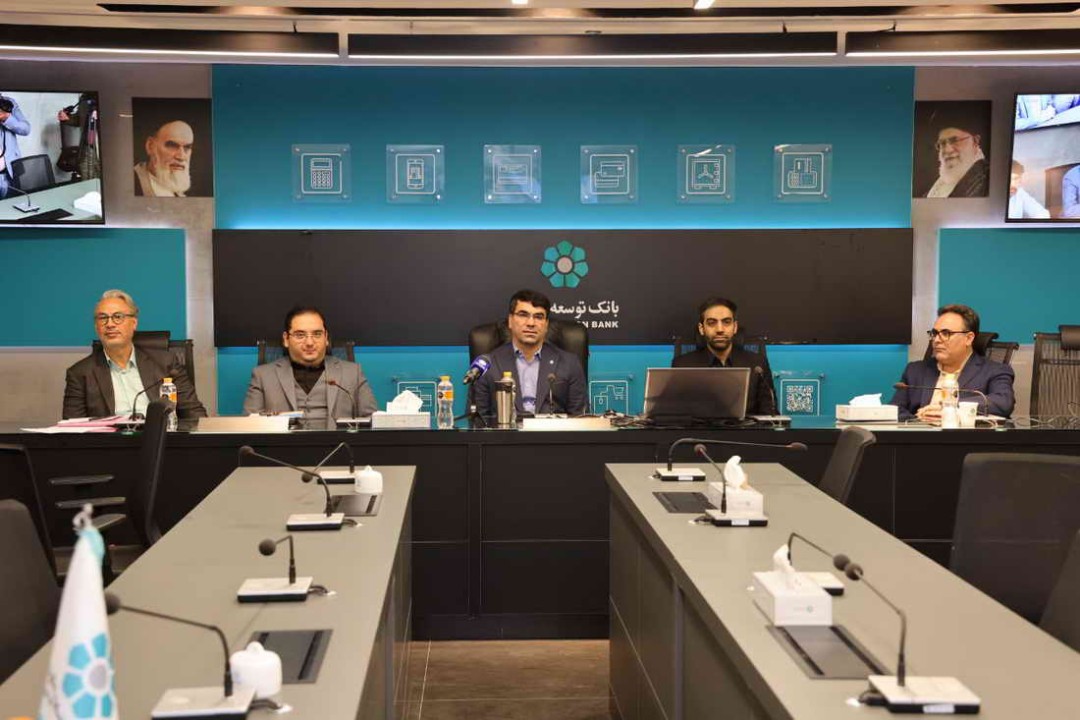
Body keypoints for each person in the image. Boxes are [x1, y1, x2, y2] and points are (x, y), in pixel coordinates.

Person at [63, 289, 207, 419]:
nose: (110, 324)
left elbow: (194, 413)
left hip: (161, 437)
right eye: (103, 318)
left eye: (118, 317)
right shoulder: (80, 374)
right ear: (96, 327)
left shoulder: (166, 364)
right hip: (109, 440)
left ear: (134, 323)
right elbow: (72, 429)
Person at [243, 306, 377, 419]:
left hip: (339, 442)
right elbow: (251, 427)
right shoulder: (262, 376)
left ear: (326, 338)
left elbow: (373, 423)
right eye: (300, 335)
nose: (309, 342)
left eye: (317, 334)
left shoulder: (353, 373)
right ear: (286, 339)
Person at [472, 289, 587, 418]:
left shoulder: (570, 363)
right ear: (510, 320)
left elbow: (579, 420)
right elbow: (478, 421)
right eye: (523, 315)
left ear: (546, 325)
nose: (531, 323)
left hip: (553, 431)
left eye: (538, 317)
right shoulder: (487, 366)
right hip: (505, 431)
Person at [890, 304, 1015, 422]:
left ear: (968, 338)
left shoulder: (995, 371)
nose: (936, 340)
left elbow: (1003, 402)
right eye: (935, 333)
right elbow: (895, 410)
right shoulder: (915, 370)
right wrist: (919, 421)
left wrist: (950, 408)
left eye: (946, 333)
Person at [672, 297, 777, 416]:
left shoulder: (757, 364)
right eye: (712, 323)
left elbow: (770, 414)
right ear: (702, 329)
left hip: (748, 427)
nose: (720, 329)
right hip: (700, 428)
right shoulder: (682, 365)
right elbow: (673, 414)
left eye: (726, 322)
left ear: (735, 327)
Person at [925, 122, 988, 198]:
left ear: (975, 141)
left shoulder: (987, 180)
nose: (947, 150)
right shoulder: (936, 188)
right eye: (942, 143)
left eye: (955, 141)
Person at [134, 119, 194, 197]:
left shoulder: (180, 194)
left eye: (187, 147)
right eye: (172, 146)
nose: (181, 156)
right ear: (150, 146)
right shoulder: (131, 184)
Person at [0, 94, 31, 200]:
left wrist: (7, 118)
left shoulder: (8, 103)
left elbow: (26, 129)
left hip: (9, 174)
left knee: (13, 206)